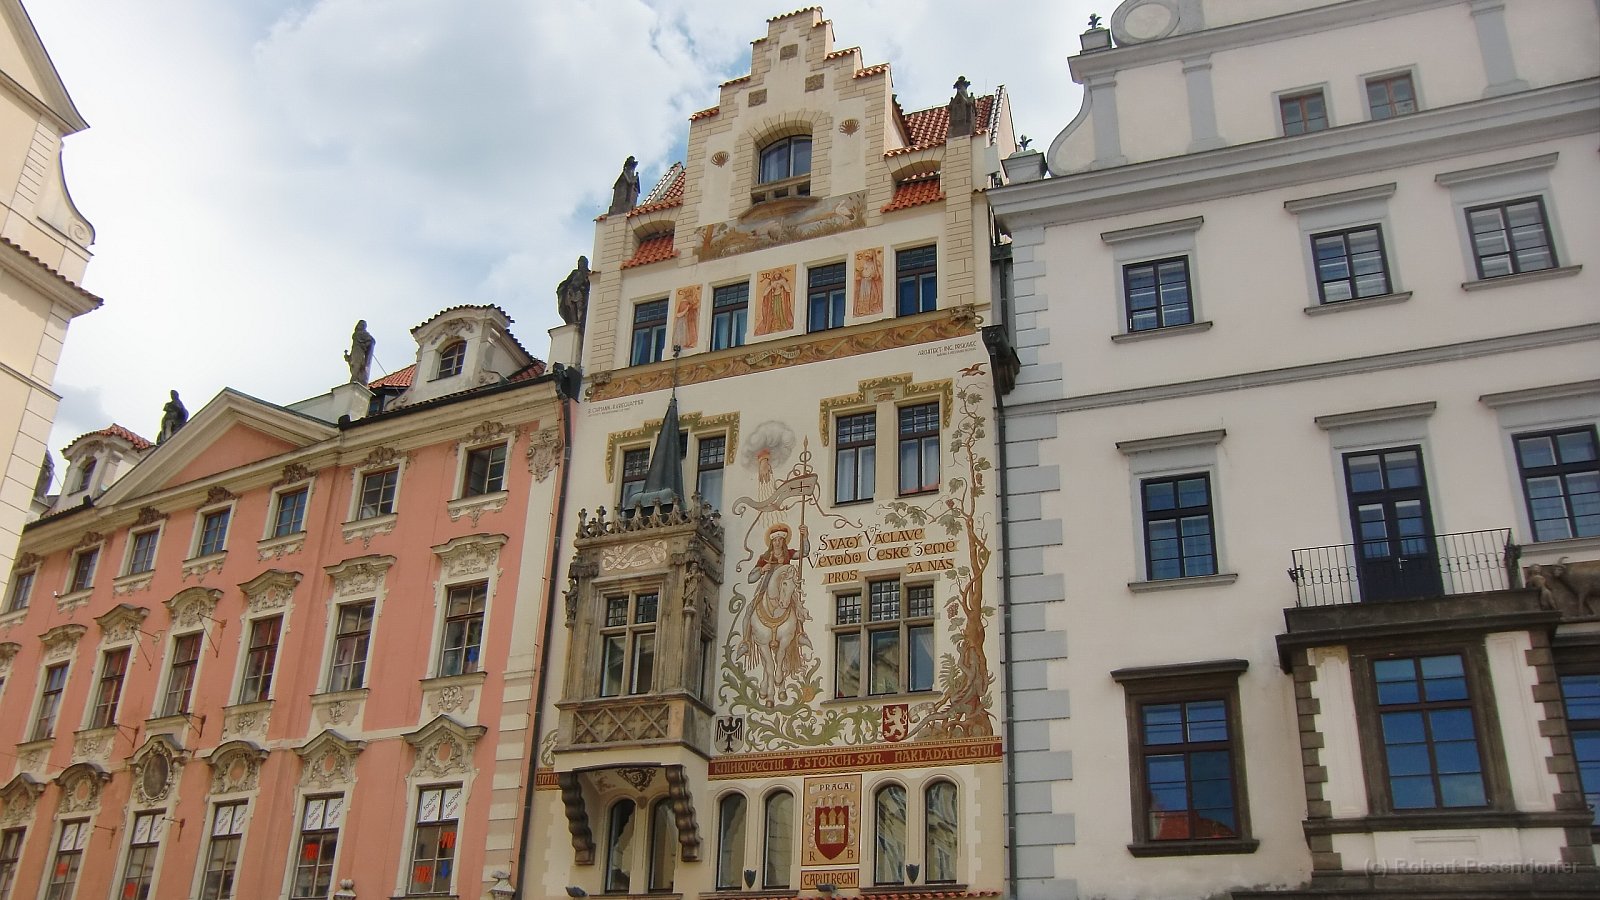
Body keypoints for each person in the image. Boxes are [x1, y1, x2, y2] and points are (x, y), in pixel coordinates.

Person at [556, 256, 591, 326]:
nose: (580, 263)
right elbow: (568, 281)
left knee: (580, 305)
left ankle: (580, 320)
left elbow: (589, 283)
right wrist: (562, 287)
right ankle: (574, 321)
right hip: (571, 291)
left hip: (580, 291)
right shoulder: (575, 272)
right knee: (572, 306)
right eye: (579, 262)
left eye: (582, 262)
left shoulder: (588, 273)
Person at [344, 319, 374, 383]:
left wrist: (364, 345)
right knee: (353, 364)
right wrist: (349, 357)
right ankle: (356, 378)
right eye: (360, 324)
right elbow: (353, 347)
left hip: (360, 351)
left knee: (357, 364)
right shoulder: (355, 334)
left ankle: (355, 378)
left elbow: (371, 340)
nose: (361, 326)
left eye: (363, 325)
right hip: (355, 350)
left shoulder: (364, 334)